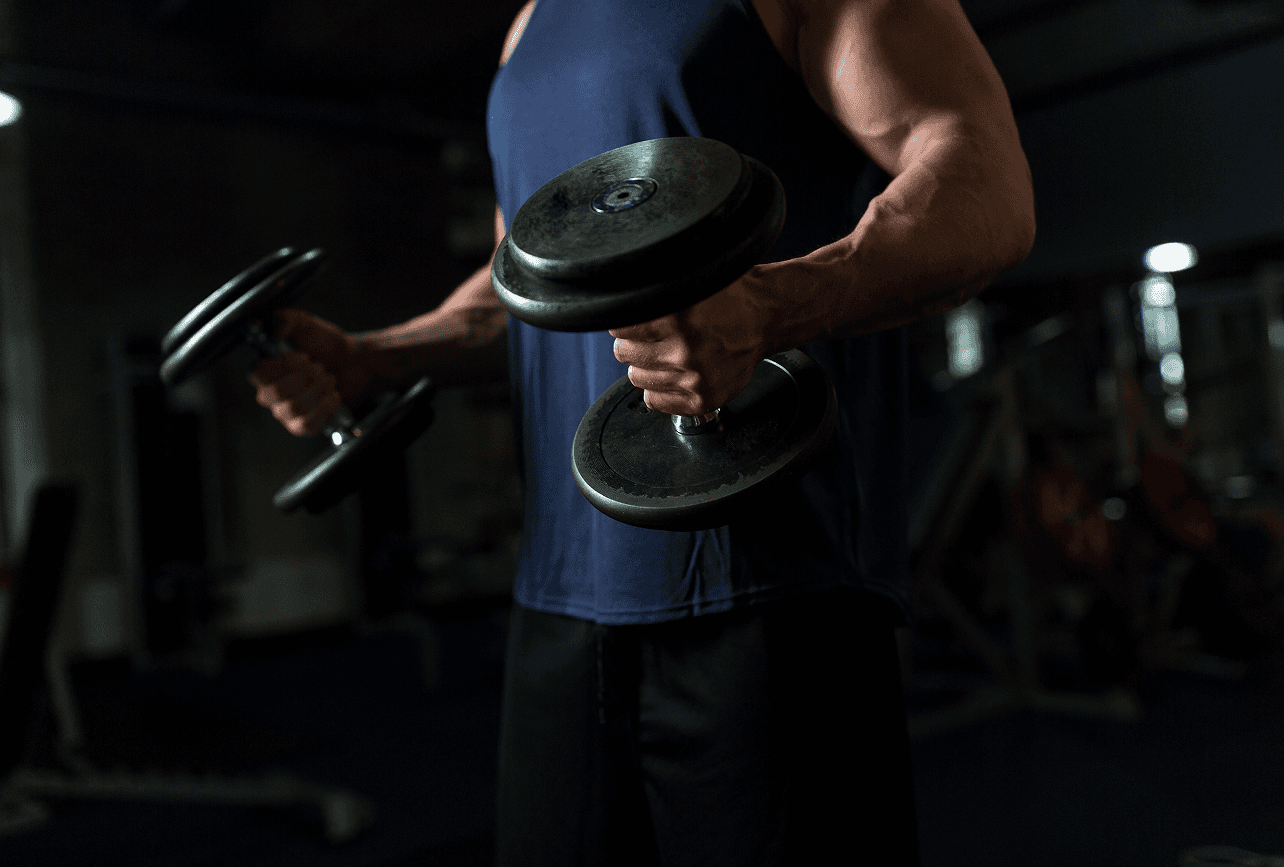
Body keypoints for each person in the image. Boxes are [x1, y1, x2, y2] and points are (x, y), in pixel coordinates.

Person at [250, 0, 1035, 863]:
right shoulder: (530, 27)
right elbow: (531, 277)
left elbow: (983, 182)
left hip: (769, 584)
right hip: (561, 593)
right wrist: (380, 356)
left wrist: (769, 307)